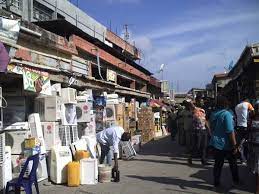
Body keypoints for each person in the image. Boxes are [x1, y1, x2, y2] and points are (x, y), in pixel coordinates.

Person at [209, 96, 240, 188]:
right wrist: (234, 145)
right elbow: (230, 131)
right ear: (225, 104)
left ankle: (216, 182)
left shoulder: (213, 114)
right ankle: (236, 181)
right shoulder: (226, 114)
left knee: (218, 164)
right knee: (233, 163)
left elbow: (211, 128)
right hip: (226, 144)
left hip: (215, 143)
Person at [187, 100, 210, 165]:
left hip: (203, 130)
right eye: (201, 101)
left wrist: (209, 130)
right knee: (197, 146)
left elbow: (205, 121)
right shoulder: (194, 110)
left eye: (202, 101)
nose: (202, 102)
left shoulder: (203, 110)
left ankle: (203, 160)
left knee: (204, 146)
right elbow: (191, 105)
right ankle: (190, 157)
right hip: (196, 130)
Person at [235, 98, 255, 164]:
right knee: (246, 141)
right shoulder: (247, 104)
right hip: (246, 126)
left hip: (238, 126)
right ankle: (247, 158)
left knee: (241, 142)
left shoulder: (237, 106)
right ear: (247, 100)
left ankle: (242, 159)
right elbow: (253, 113)